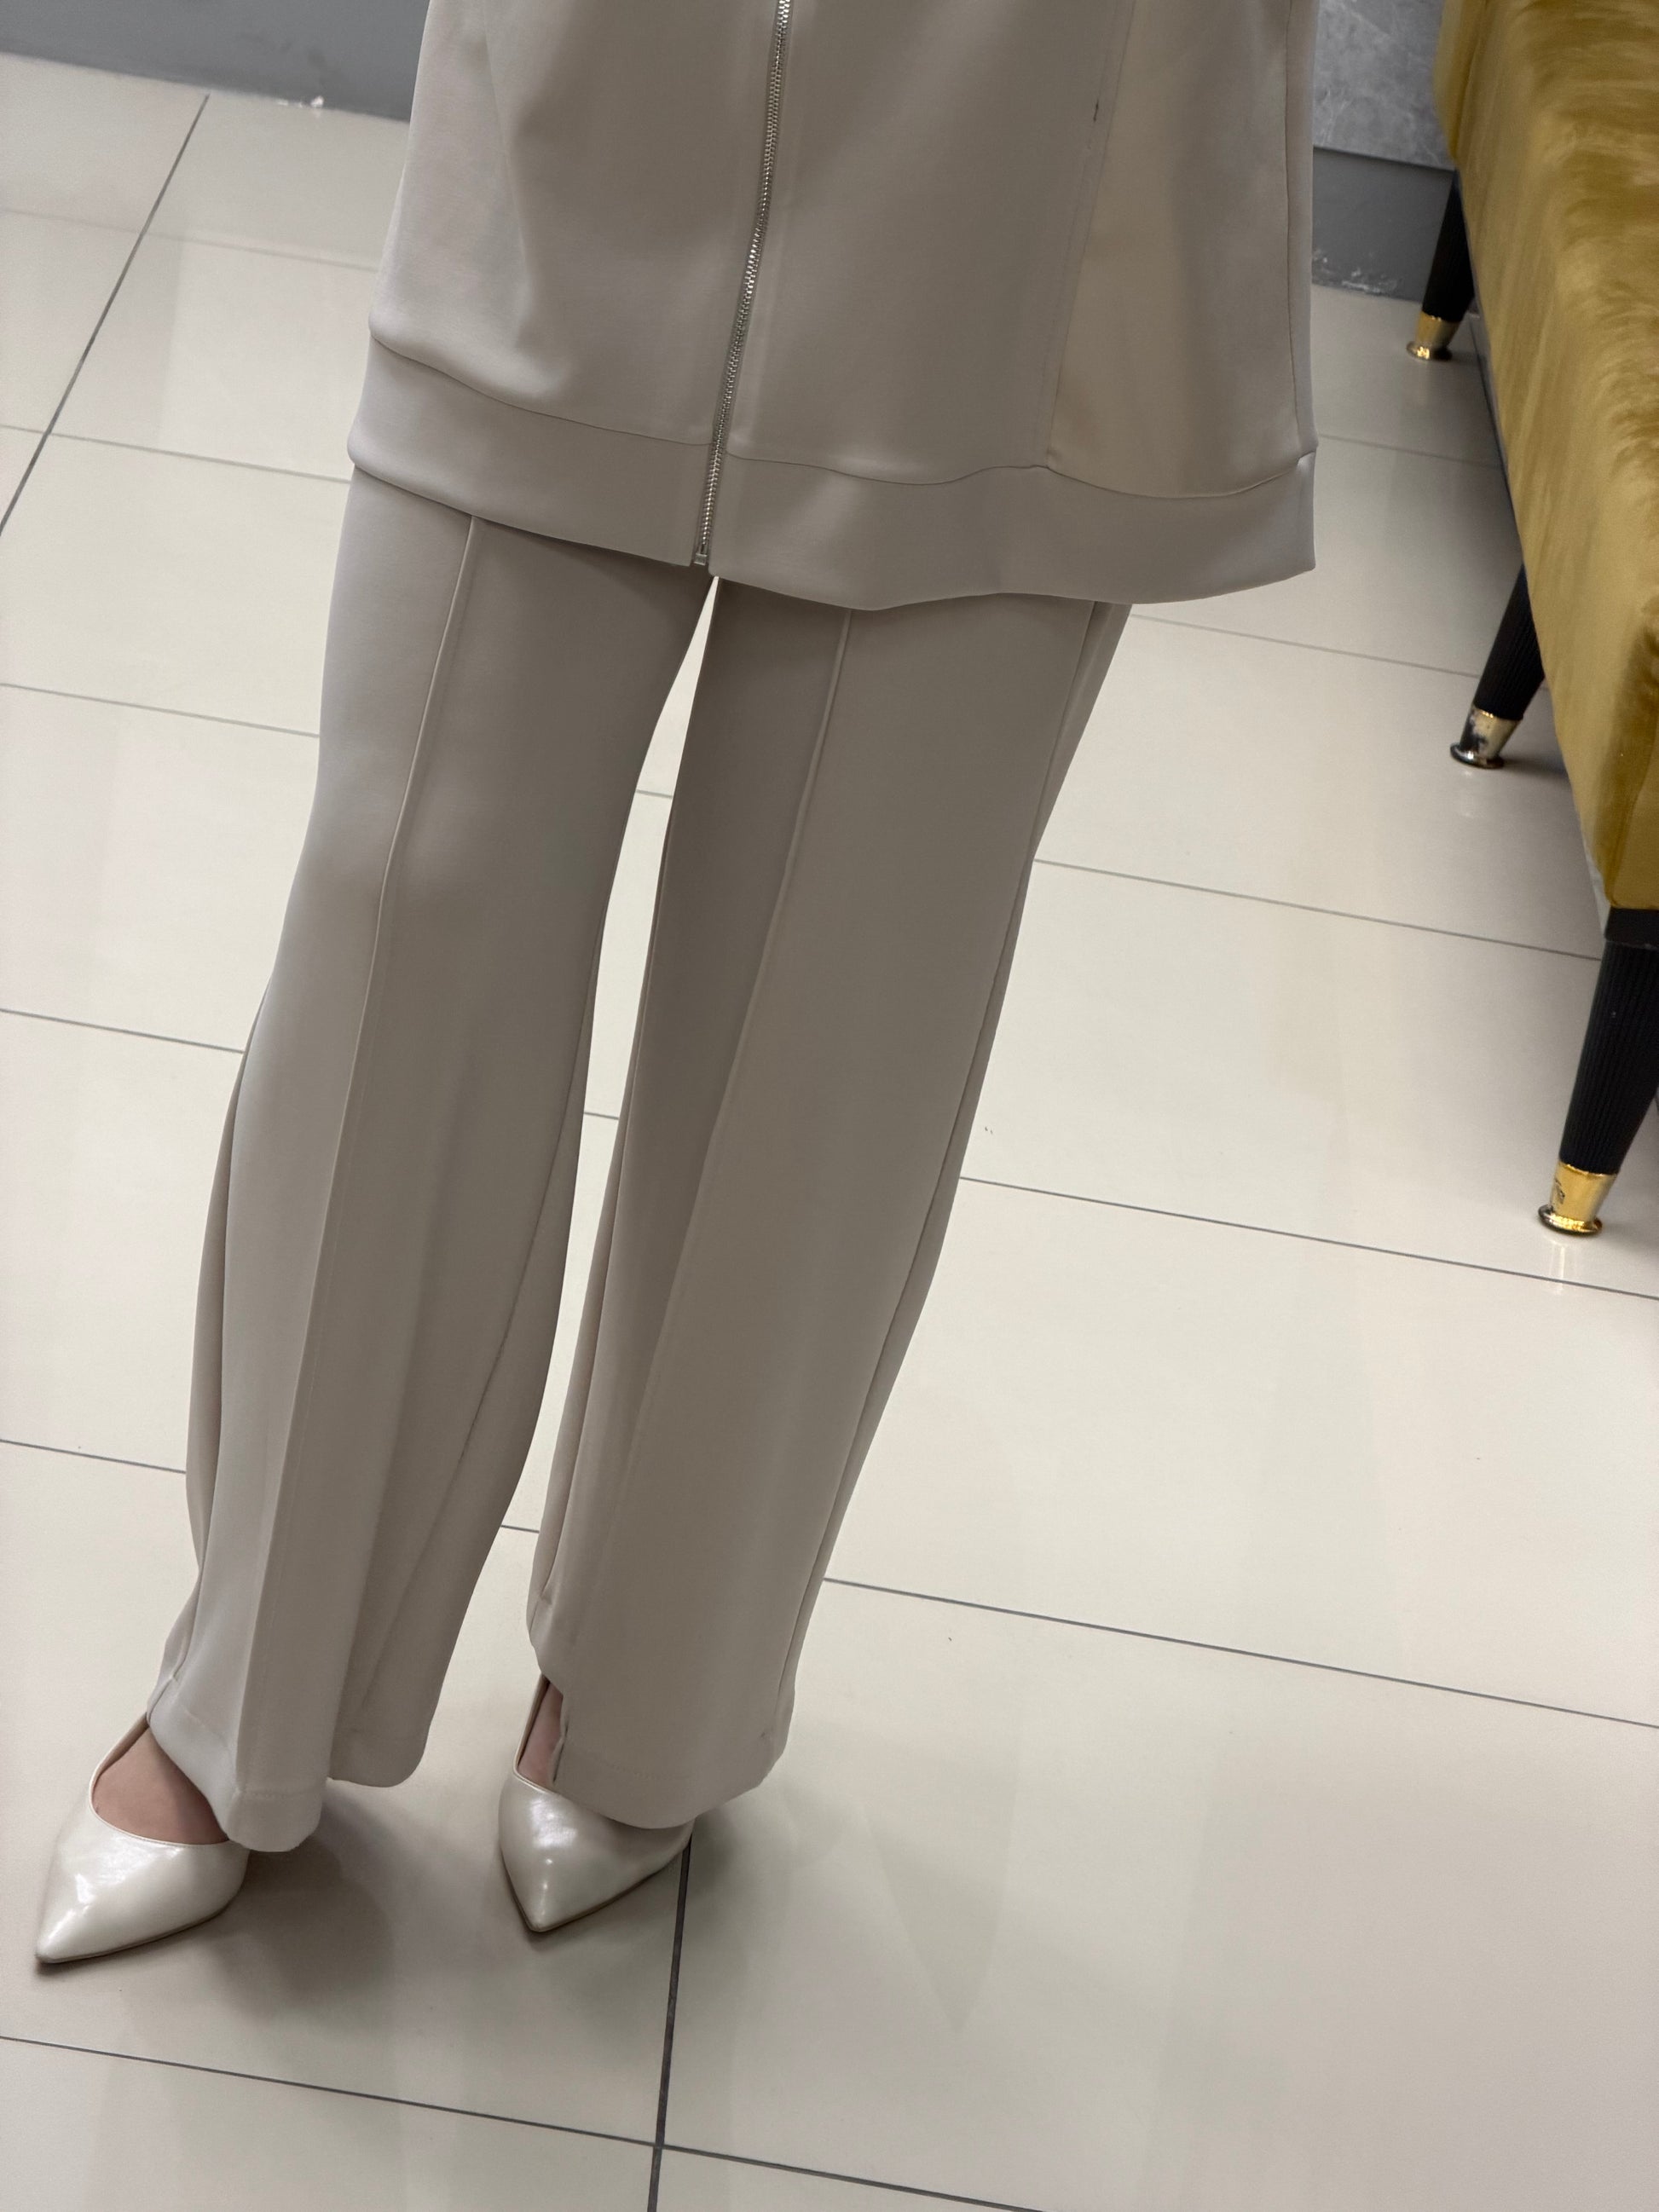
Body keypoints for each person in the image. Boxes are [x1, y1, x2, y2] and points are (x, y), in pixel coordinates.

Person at [37, 0, 1319, 1962]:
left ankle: (653, 1696)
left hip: (1042, 118)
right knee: (408, 890)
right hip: (608, 75)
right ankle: (249, 1685)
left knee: (842, 987)